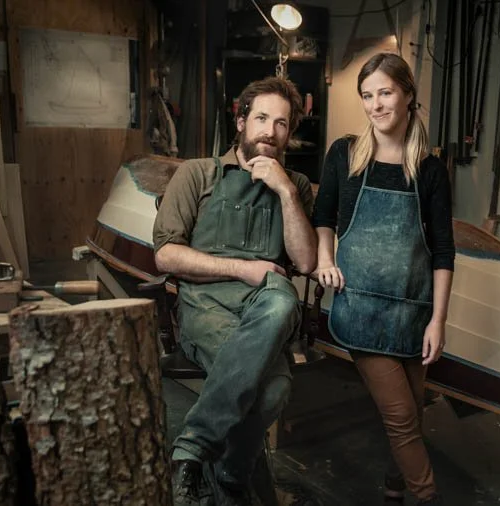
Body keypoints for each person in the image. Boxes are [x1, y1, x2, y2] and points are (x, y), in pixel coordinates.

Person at [152, 76, 317, 506]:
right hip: (205, 306)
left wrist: (283, 190)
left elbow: (305, 262)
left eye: (281, 124)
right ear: (241, 120)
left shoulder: (295, 186)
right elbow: (166, 256)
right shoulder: (197, 173)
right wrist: (244, 269)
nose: (270, 131)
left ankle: (192, 448)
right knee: (274, 390)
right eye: (261, 118)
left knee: (282, 297)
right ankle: (231, 475)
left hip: (265, 310)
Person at [312, 52, 455, 505]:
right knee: (400, 417)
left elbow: (444, 252)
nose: (375, 105)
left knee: (413, 411)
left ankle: (395, 485)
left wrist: (438, 321)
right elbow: (324, 216)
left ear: (409, 95)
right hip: (361, 309)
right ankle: (425, 495)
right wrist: (324, 259)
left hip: (413, 312)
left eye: (385, 92)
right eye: (367, 95)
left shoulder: (430, 171)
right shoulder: (345, 154)